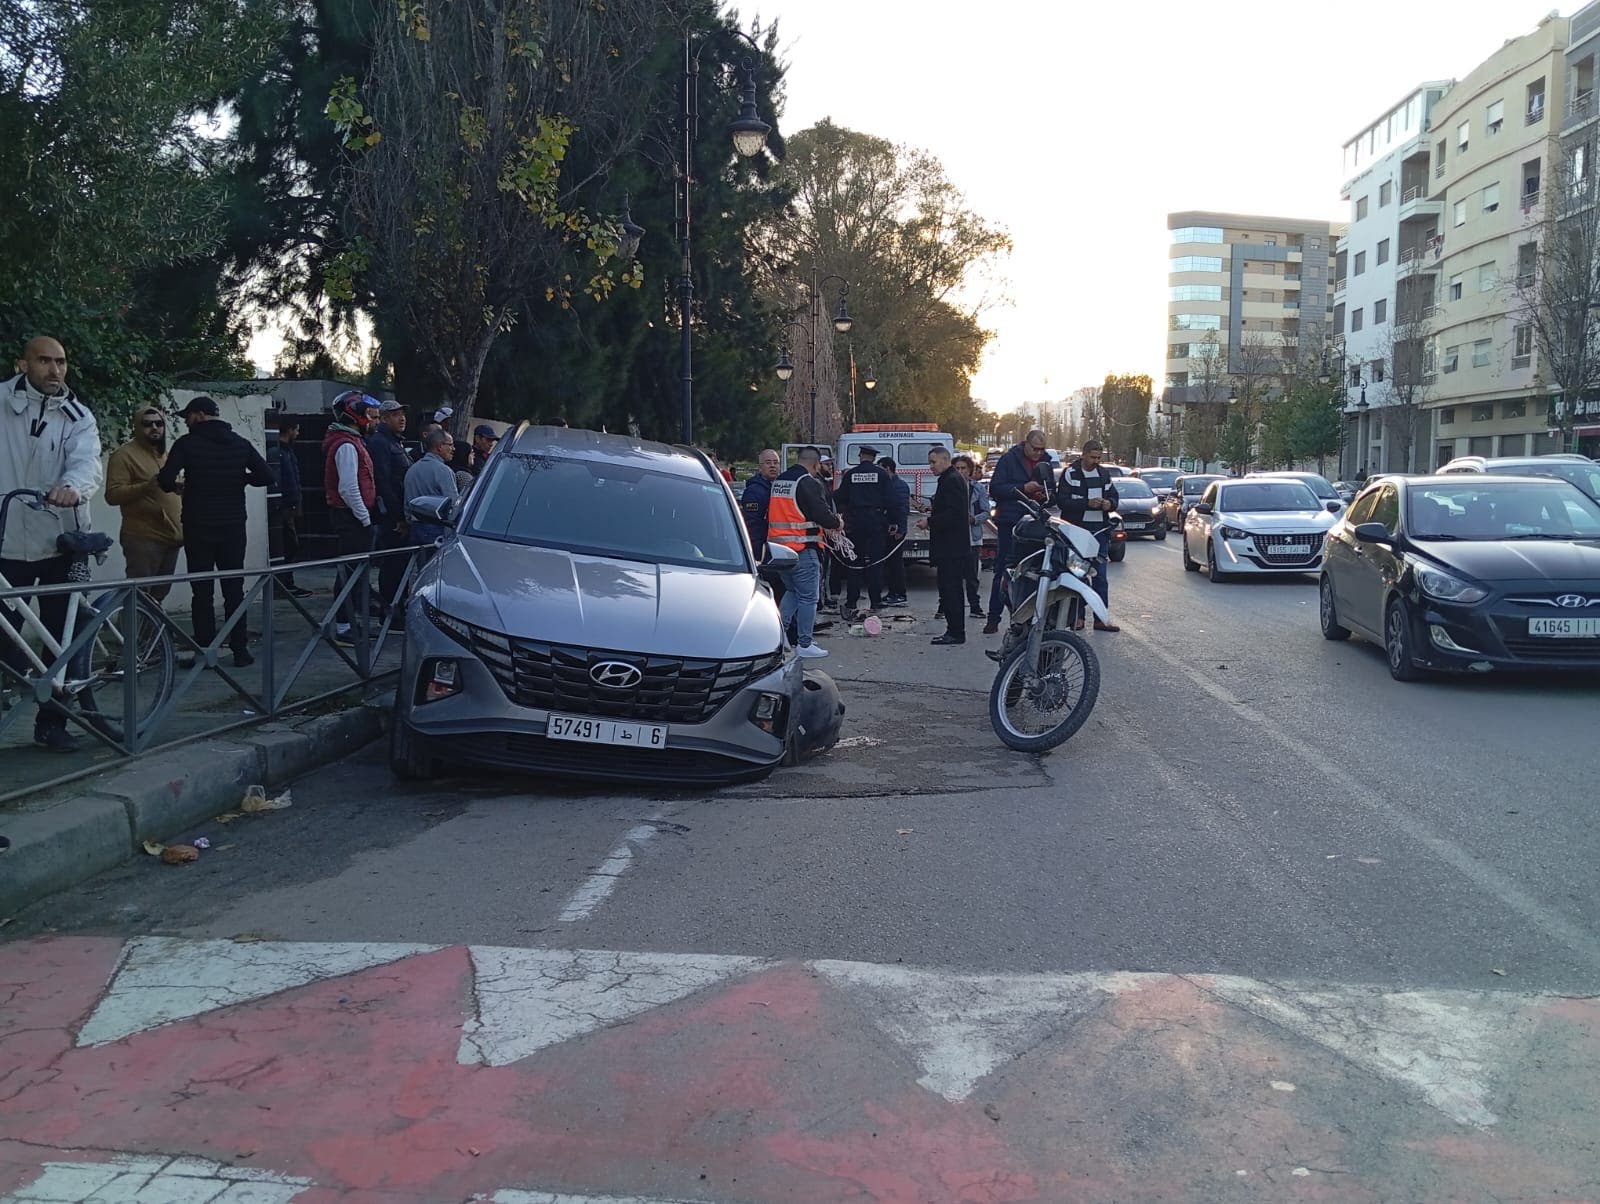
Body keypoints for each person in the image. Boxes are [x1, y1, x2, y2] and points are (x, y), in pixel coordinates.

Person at [0, 336, 103, 752]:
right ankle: (23, 681)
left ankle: (53, 722)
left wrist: (72, 488)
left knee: (64, 635)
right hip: (6, 540)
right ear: (23, 364)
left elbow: (86, 461)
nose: (55, 370)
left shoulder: (77, 416)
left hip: (61, 539)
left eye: (61, 361)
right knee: (9, 639)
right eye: (45, 361)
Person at [158, 395, 274, 669]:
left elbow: (164, 480)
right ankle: (240, 650)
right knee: (234, 588)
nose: (186, 421)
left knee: (202, 590)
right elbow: (267, 476)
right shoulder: (240, 444)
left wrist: (179, 486)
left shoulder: (187, 444)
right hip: (233, 526)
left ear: (199, 414)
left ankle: (206, 652)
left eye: (188, 416)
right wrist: (240, 478)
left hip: (198, 525)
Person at [105, 405, 183, 603]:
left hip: (172, 537)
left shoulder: (165, 454)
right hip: (143, 536)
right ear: (137, 428)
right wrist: (146, 487)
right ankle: (133, 635)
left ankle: (153, 635)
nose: (154, 428)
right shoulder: (124, 455)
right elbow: (112, 495)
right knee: (139, 595)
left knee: (159, 595)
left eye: (159, 423)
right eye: (147, 424)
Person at [770, 445, 841, 659]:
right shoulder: (807, 482)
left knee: (792, 592)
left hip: (780, 550)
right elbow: (823, 515)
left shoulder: (781, 481)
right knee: (809, 598)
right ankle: (805, 643)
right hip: (803, 548)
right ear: (815, 464)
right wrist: (838, 522)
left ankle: (778, 638)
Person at [321, 390, 379, 647]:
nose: (373, 420)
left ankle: (352, 623)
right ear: (355, 414)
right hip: (350, 518)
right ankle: (344, 627)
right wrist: (365, 518)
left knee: (355, 573)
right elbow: (348, 488)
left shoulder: (352, 441)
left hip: (353, 516)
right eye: (370, 415)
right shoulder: (346, 445)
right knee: (349, 574)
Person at [984, 429, 1056, 634]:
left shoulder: (1047, 461)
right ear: (1026, 444)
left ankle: (1027, 619)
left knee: (1034, 573)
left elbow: (1052, 491)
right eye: (1035, 449)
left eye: (1042, 450)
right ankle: (993, 617)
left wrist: (1044, 494)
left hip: (1035, 524)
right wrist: (1023, 488)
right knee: (1004, 569)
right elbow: (996, 489)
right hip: (1010, 521)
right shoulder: (1009, 459)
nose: (1038, 453)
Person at [1055, 438, 1120, 632]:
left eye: (1099, 457)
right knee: (1078, 574)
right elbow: (1062, 502)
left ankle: (1101, 618)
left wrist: (1110, 504)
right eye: (1092, 457)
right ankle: (1077, 617)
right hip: (1077, 533)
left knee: (1100, 576)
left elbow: (1114, 497)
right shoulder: (1071, 474)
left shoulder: (1103, 474)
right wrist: (1087, 503)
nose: (1096, 461)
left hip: (1099, 533)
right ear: (1083, 455)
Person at [366, 400, 412, 626]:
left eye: (402, 414)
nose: (402, 418)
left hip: (400, 515)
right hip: (391, 519)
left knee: (400, 566)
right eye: (395, 415)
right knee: (392, 567)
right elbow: (383, 482)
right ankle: (391, 614)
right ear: (384, 418)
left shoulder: (395, 442)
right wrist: (398, 517)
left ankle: (398, 609)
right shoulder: (380, 443)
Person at [833, 444, 892, 616]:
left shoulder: (851, 474)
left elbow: (840, 497)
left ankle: (852, 600)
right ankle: (876, 600)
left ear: (860, 456)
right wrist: (891, 521)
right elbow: (890, 498)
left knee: (855, 562)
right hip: (876, 521)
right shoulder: (882, 474)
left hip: (856, 521)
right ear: (873, 458)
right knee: (876, 561)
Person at [921, 445, 970, 646]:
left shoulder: (951, 480)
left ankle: (955, 632)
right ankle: (954, 629)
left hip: (952, 547)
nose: (930, 467)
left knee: (951, 590)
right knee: (949, 589)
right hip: (950, 546)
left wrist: (930, 522)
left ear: (944, 459)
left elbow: (954, 514)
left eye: (933, 462)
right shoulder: (949, 480)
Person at [271, 415, 312, 597]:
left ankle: (288, 581)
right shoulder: (280, 451)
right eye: (296, 429)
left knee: (291, 543)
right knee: (289, 544)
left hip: (291, 503)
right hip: (286, 505)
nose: (298, 433)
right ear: (289, 430)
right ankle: (286, 582)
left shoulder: (287, 451)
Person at [741, 448, 785, 607]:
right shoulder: (755, 491)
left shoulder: (779, 487)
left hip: (777, 548)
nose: (773, 466)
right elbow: (753, 525)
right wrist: (757, 554)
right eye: (768, 463)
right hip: (762, 551)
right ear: (760, 467)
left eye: (776, 463)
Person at [404, 428, 458, 550]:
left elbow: (407, 504)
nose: (453, 449)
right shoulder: (443, 471)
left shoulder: (412, 469)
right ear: (439, 446)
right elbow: (453, 506)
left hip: (414, 528)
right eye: (450, 445)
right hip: (436, 531)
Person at [956, 454, 989, 619]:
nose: (960, 472)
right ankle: (944, 607)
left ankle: (975, 607)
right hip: (953, 538)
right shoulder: (949, 487)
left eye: (964, 468)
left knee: (971, 576)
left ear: (970, 471)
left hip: (972, 538)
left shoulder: (978, 488)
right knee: (951, 576)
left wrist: (974, 519)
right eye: (957, 468)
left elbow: (986, 512)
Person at [879, 457, 911, 606]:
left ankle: (900, 593)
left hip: (897, 531)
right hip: (888, 529)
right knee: (890, 564)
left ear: (887, 469)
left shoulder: (899, 486)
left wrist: (900, 528)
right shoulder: (888, 484)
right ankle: (892, 592)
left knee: (896, 564)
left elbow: (902, 509)